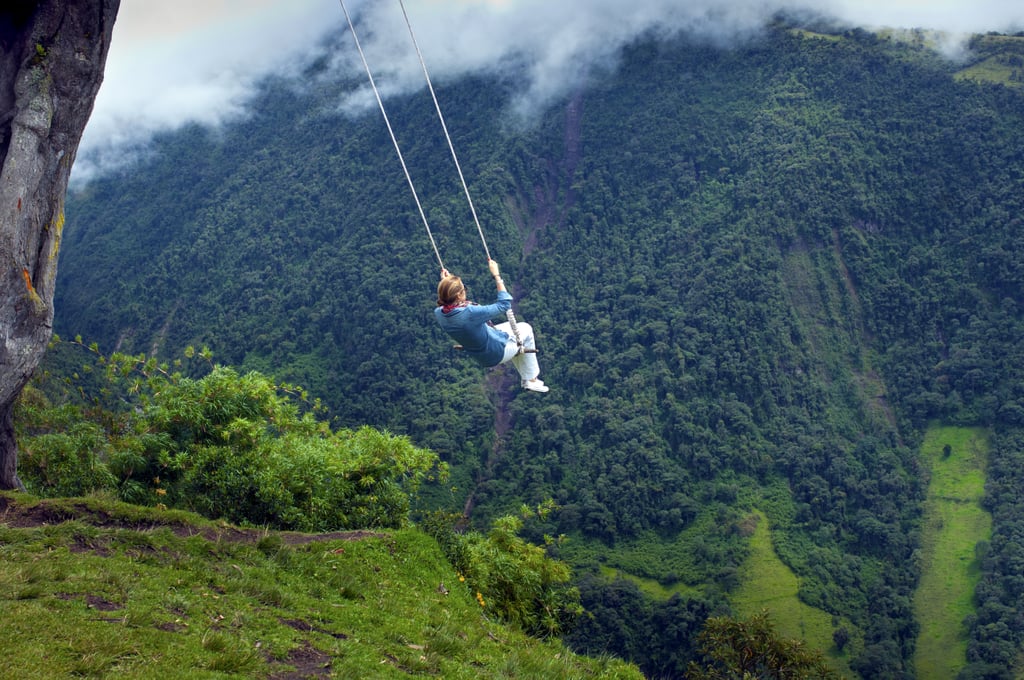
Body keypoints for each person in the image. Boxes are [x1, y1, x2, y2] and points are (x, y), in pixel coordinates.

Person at [434, 259, 548, 393]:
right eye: (463, 288)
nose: (465, 290)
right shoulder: (470, 313)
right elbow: (504, 304)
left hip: (481, 355)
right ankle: (530, 379)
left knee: (516, 328)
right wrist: (497, 275)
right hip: (496, 353)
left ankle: (523, 367)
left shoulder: (440, 313)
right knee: (526, 329)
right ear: (459, 295)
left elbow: (448, 301)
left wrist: (446, 283)